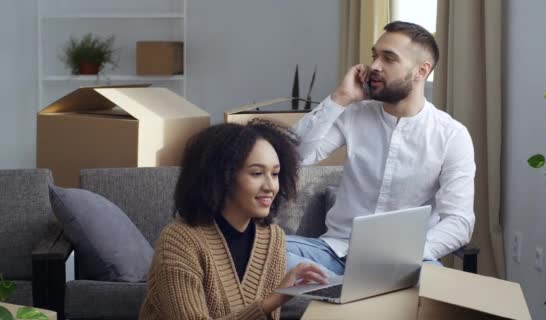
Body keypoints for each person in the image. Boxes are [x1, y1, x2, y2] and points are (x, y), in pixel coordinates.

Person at [287, 21, 476, 275]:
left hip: (406, 260)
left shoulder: (452, 136)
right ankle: (351, 294)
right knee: (264, 252)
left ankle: (340, 296)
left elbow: (459, 222)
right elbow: (295, 156)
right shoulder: (353, 114)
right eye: (375, 56)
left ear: (421, 71)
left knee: (437, 287)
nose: (374, 66)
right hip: (334, 252)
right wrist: (340, 97)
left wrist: (408, 255)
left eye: (389, 59)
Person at [139, 119, 327, 320]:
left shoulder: (273, 238)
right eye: (256, 173)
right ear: (222, 177)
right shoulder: (179, 241)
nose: (270, 186)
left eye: (275, 174)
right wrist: (272, 301)